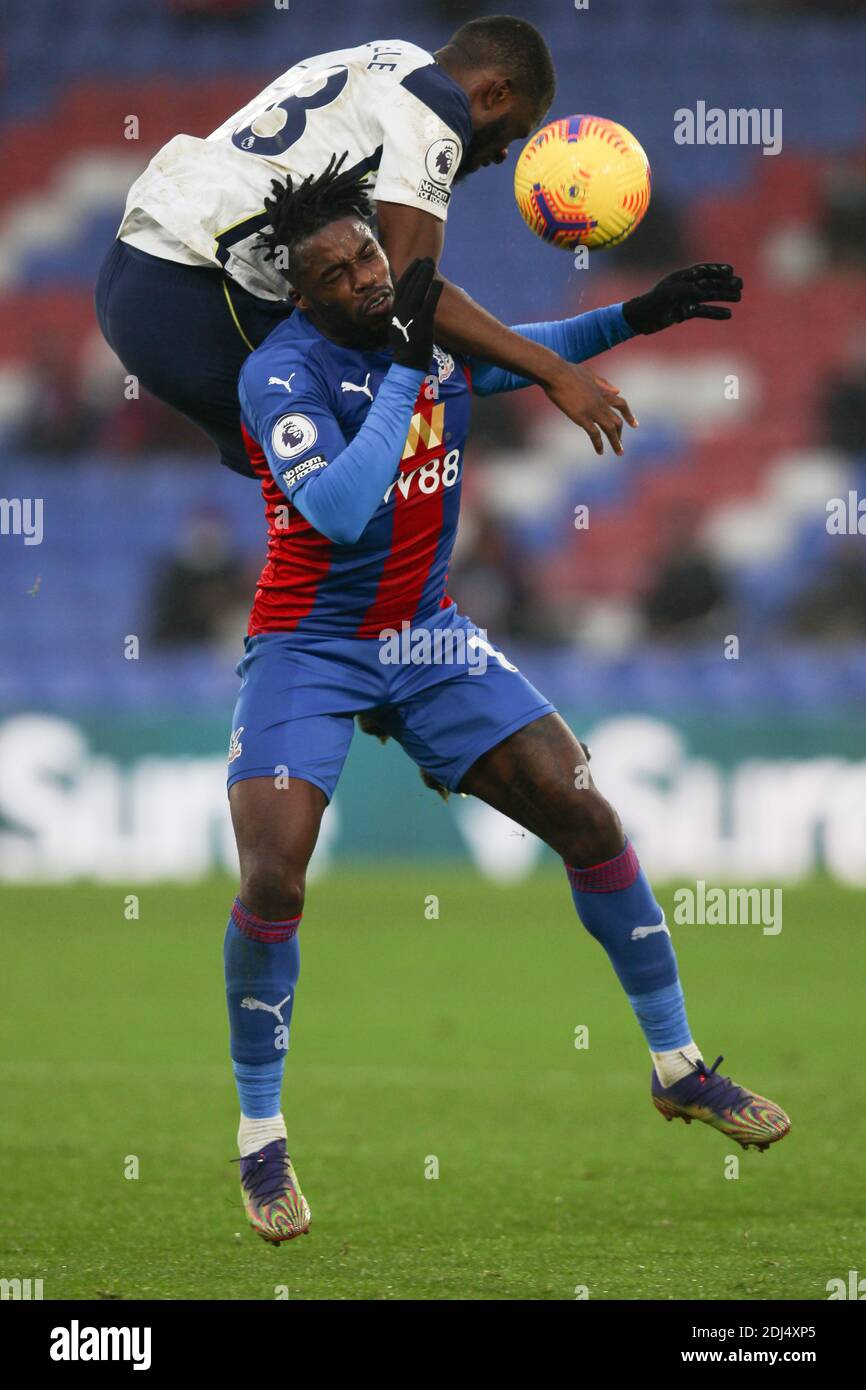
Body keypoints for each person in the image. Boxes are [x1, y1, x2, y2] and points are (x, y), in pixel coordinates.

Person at [218, 157, 786, 1245]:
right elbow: (338, 510)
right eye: (336, 273)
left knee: (585, 811)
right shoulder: (282, 375)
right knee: (273, 873)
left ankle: (676, 1066)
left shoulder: (422, 332)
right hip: (311, 644)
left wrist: (636, 315)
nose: (366, 277)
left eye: (369, 253)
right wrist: (398, 369)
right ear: (304, 296)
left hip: (428, 635)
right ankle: (260, 1137)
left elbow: (527, 354)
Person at [95, 16, 635, 479]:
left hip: (142, 267)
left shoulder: (393, 55)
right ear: (494, 92)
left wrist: (632, 319)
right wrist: (556, 372)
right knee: (375, 461)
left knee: (372, 431)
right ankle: (388, 605)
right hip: (197, 291)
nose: (499, 155)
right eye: (509, 133)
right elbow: (414, 293)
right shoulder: (439, 112)